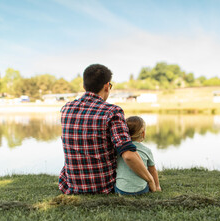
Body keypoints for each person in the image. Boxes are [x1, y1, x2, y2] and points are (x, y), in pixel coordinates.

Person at [58, 64, 156, 194]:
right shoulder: (112, 112)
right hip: (103, 186)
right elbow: (128, 156)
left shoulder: (66, 109)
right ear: (106, 86)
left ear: (84, 87)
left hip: (72, 185)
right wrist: (150, 180)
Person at [115, 116, 161, 195]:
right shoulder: (146, 150)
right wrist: (157, 187)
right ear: (143, 133)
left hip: (120, 190)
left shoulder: (118, 148)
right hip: (141, 191)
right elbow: (152, 170)